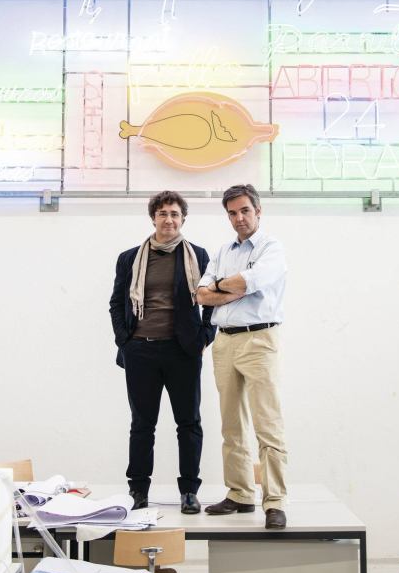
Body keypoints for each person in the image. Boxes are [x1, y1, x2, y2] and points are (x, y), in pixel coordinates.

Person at [109, 191, 214, 514]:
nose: (169, 219)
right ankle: (138, 490)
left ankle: (189, 492)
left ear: (183, 219)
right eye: (163, 213)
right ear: (153, 217)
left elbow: (210, 301)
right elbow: (117, 302)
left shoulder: (197, 255)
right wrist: (124, 340)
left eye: (175, 214)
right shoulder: (130, 258)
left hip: (182, 351)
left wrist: (203, 337)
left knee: (189, 423)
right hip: (141, 352)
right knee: (142, 424)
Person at [196, 184, 289, 530]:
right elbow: (202, 295)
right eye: (232, 213)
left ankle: (275, 500)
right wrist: (228, 286)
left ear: (258, 211)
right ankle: (240, 493)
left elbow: (253, 281)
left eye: (244, 211)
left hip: (259, 339)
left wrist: (224, 286)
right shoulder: (222, 251)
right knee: (231, 424)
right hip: (224, 343)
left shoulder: (271, 248)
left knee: (268, 424)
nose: (239, 218)